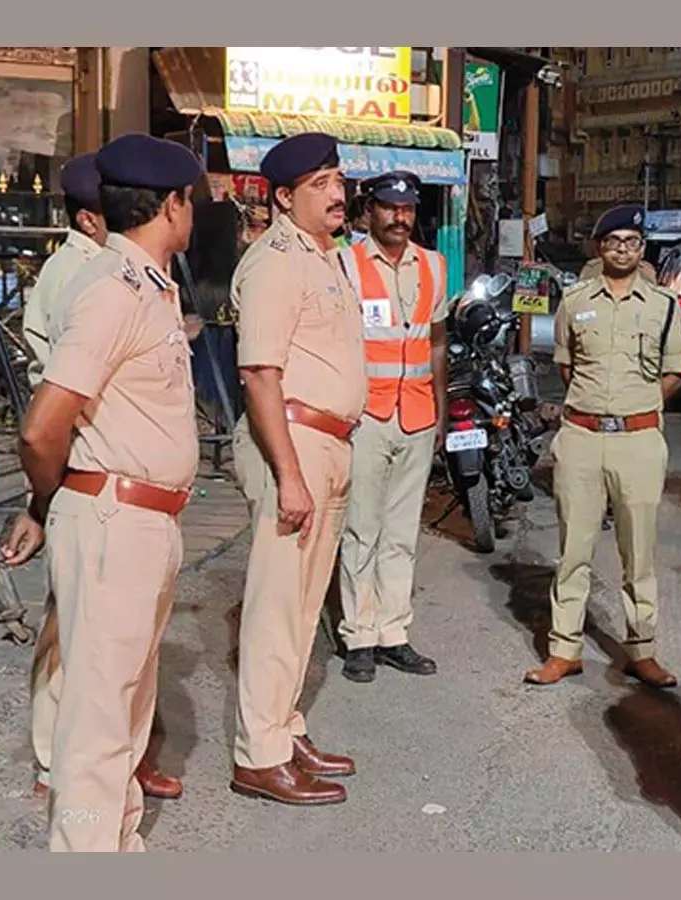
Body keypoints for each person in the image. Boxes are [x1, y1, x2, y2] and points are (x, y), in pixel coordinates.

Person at [3, 132, 204, 852]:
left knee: (124, 708)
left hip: (144, 520)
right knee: (95, 724)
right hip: (113, 518)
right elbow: (41, 428)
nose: (194, 214)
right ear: (172, 205)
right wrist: (49, 501)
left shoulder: (148, 285)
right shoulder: (114, 294)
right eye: (191, 201)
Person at [228, 133, 363, 806]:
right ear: (283, 198)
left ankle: (283, 726)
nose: (337, 193)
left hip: (329, 442)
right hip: (295, 443)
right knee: (278, 604)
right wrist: (287, 473)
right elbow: (259, 372)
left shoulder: (327, 257)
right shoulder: (276, 261)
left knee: (306, 606)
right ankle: (258, 752)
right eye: (320, 184)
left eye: (337, 179)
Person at [525, 203, 681, 688]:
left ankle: (642, 650)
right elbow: (567, 367)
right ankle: (564, 649)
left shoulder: (664, 306)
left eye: (632, 242)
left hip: (638, 441)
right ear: (600, 247)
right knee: (573, 548)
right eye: (614, 241)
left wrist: (636, 408)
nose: (622, 249)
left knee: (639, 553)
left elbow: (673, 373)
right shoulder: (575, 301)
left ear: (642, 249)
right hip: (581, 438)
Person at [335, 170, 447, 684]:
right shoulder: (348, 265)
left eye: (407, 209)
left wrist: (440, 409)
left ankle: (393, 632)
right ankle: (358, 634)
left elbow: (436, 341)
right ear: (370, 210)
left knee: (402, 533)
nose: (399, 217)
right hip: (366, 416)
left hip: (417, 414)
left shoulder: (434, 266)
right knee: (362, 529)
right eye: (389, 207)